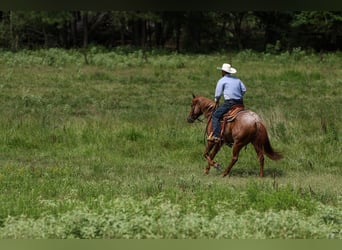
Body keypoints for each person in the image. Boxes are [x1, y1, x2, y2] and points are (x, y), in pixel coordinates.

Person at [209, 63, 247, 143]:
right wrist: (239, 95)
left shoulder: (222, 80)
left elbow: (218, 94)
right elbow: (244, 90)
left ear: (223, 71)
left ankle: (217, 136)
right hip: (240, 103)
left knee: (215, 115)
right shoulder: (237, 80)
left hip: (230, 103)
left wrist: (216, 100)